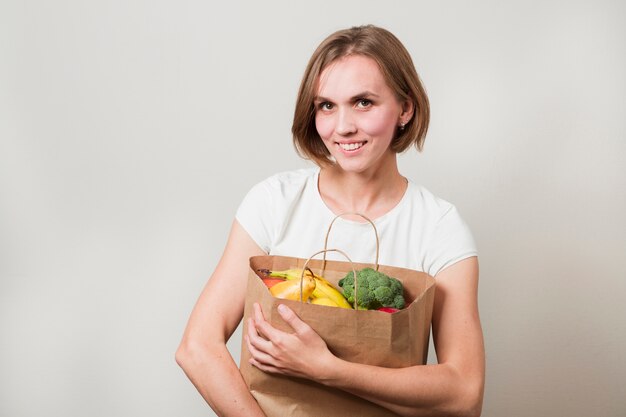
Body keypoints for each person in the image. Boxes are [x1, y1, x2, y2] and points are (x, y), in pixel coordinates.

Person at [176, 24, 485, 417]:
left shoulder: (438, 227)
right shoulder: (275, 203)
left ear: (405, 108)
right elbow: (197, 348)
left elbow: (465, 394)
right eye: (326, 105)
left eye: (363, 102)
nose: (343, 127)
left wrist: (330, 371)